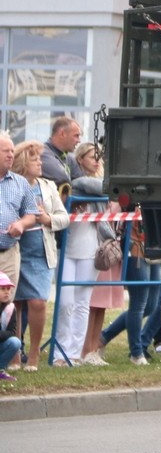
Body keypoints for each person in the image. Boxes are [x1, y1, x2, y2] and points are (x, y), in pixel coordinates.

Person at [10, 140, 67, 371]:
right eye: (35, 160)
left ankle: (33, 356)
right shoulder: (11, 184)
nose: (40, 163)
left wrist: (47, 219)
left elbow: (64, 218)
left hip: (41, 255)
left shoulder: (48, 187)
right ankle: (14, 354)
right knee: (13, 305)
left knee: (38, 302)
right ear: (23, 163)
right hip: (15, 252)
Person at [76, 143, 119, 364]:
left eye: (98, 157)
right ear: (81, 158)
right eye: (92, 156)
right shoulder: (84, 183)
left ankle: (94, 349)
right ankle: (85, 349)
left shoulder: (105, 183)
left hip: (107, 245)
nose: (96, 161)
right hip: (96, 245)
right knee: (91, 302)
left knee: (102, 304)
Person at [0, 131, 38, 293]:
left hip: (9, 253)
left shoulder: (20, 183)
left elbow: (31, 214)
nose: (10, 155)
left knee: (6, 303)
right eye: (5, 151)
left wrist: (21, 224)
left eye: (12, 151)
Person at [39, 116, 82, 192]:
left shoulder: (69, 158)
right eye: (76, 136)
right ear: (62, 134)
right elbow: (61, 178)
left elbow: (81, 180)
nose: (79, 141)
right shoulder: (43, 153)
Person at [0, 271, 19, 382]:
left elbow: (12, 331)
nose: (7, 292)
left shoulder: (10, 308)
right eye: (3, 289)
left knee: (15, 342)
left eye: (8, 289)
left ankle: (0, 369)